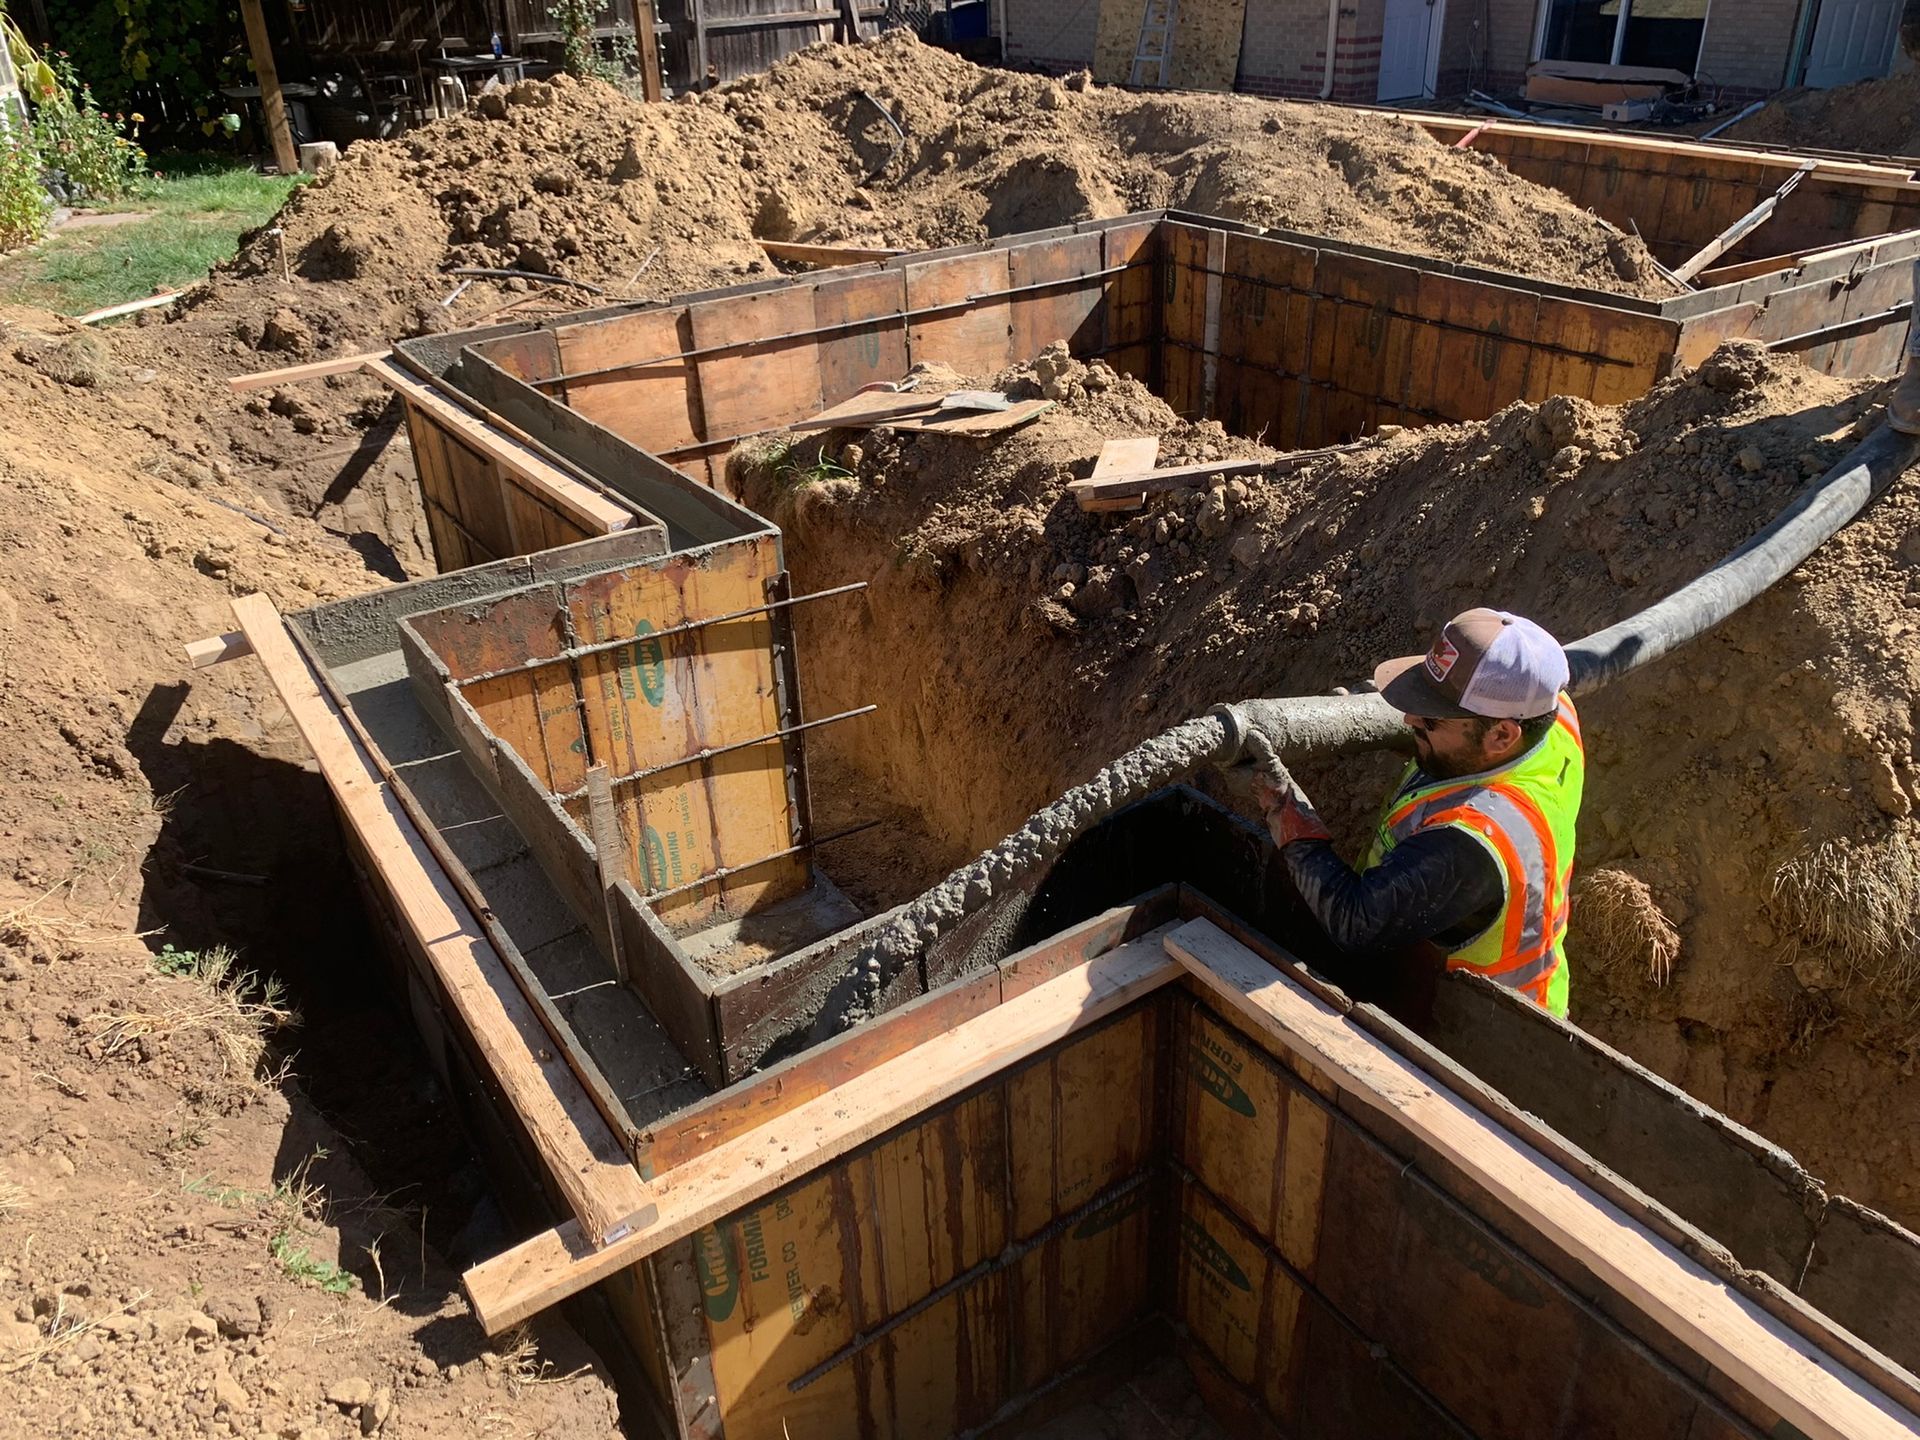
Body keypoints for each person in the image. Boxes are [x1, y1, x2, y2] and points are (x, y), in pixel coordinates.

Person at [1253, 609, 1584, 1016]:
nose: (1410, 719)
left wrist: (1284, 809)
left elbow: (1355, 921)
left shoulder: (1469, 843)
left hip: (1480, 1033)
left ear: (1501, 735)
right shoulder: (1551, 714)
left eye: (1430, 718)